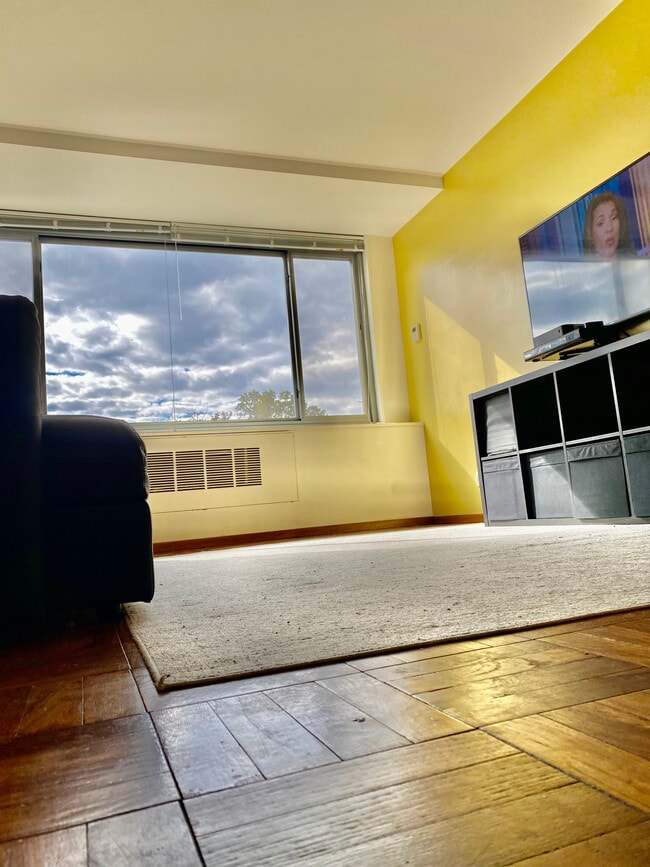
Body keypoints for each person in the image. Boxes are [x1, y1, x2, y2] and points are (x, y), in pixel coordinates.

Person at [582, 190, 634, 259]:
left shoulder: (636, 265)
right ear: (590, 236)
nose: (609, 228)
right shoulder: (583, 269)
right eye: (601, 223)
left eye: (613, 217)